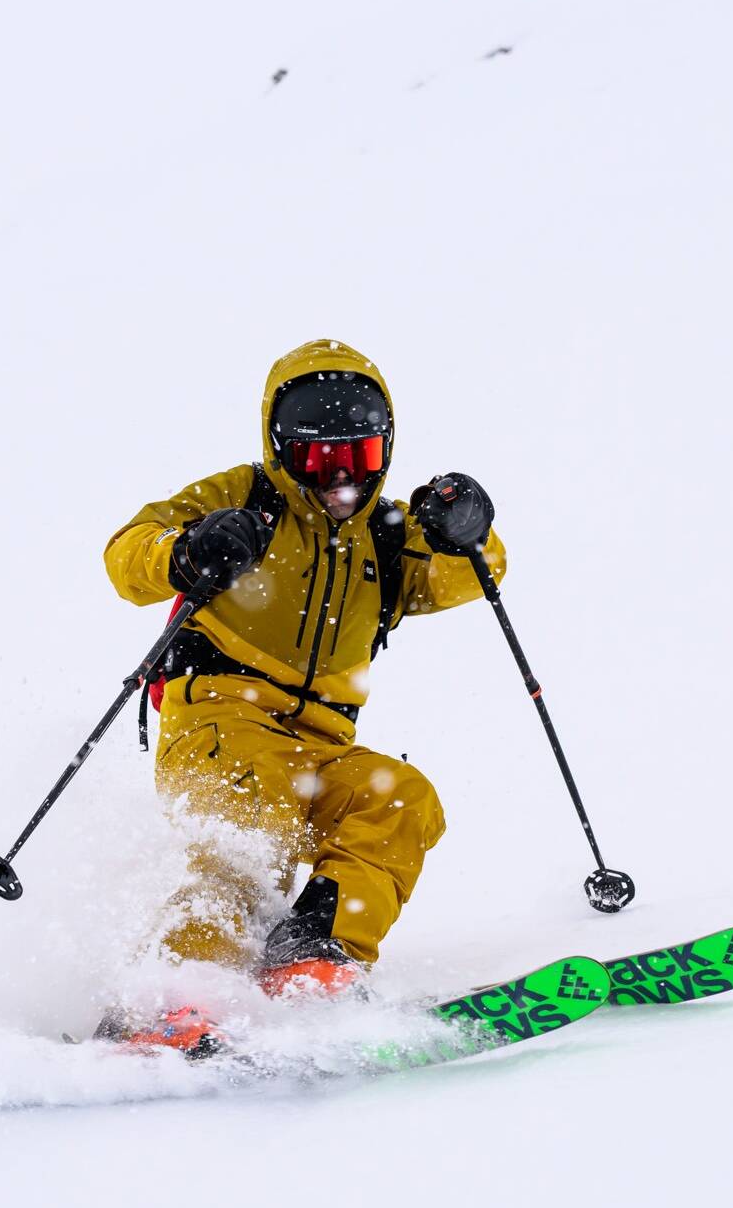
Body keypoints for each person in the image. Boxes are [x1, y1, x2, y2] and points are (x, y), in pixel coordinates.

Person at [100, 338, 505, 1054]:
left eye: (361, 460)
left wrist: (466, 530)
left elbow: (470, 574)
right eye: (320, 461)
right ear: (283, 450)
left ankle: (311, 954)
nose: (341, 480)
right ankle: (171, 996)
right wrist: (189, 549)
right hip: (218, 721)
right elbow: (127, 555)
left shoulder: (384, 534)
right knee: (245, 837)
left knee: (400, 798)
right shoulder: (242, 498)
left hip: (320, 744)